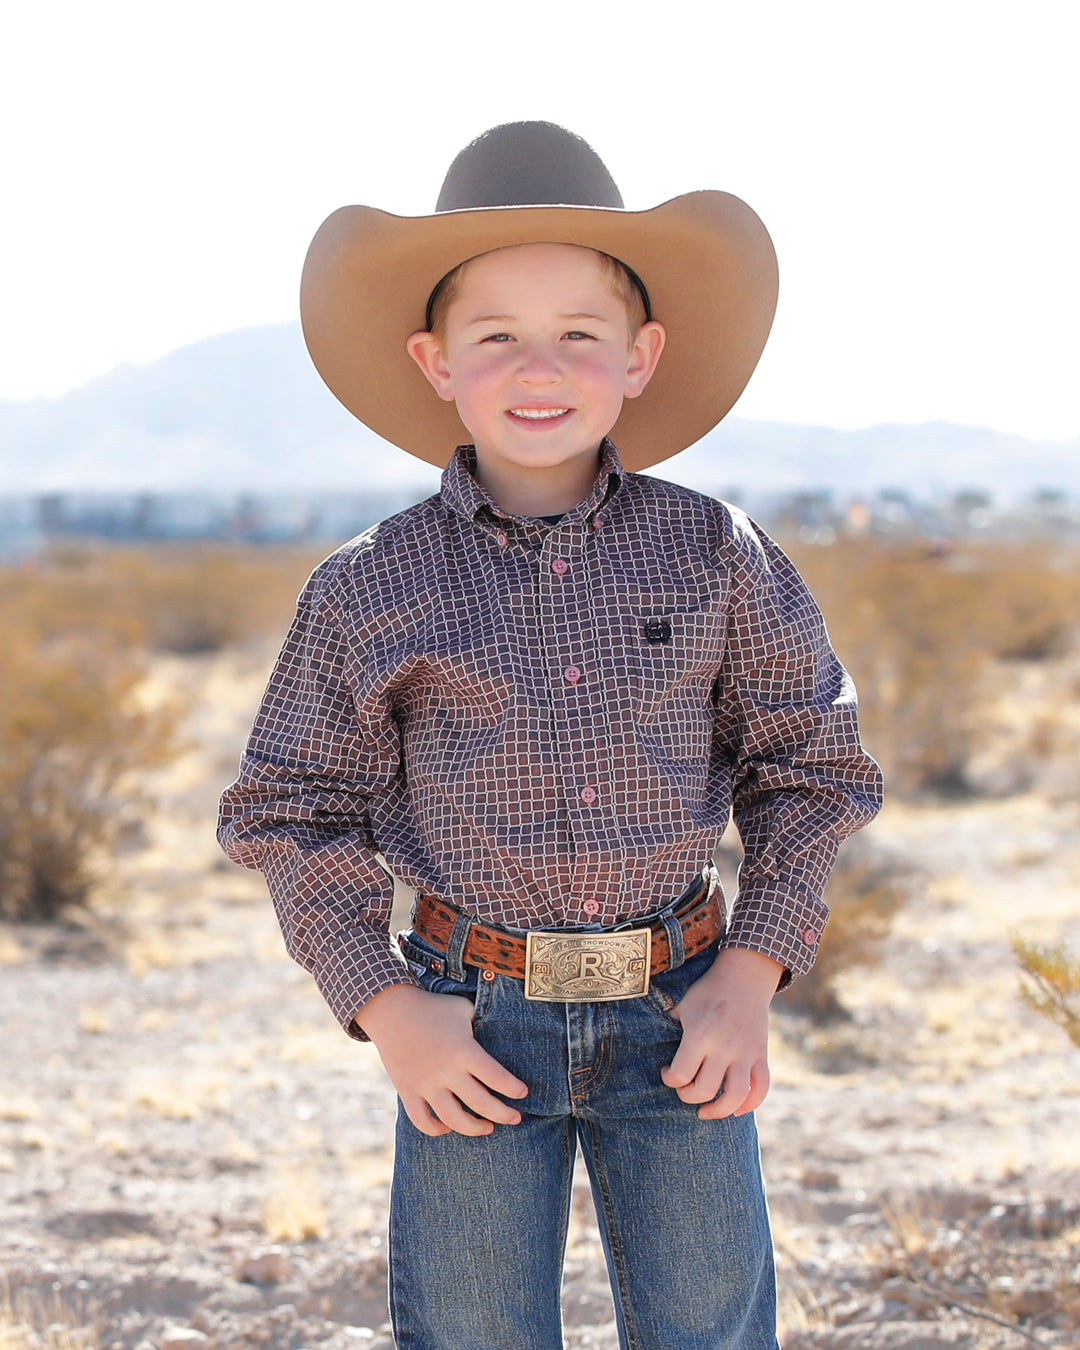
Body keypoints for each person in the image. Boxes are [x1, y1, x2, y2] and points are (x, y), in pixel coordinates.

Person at [218, 121, 883, 1350]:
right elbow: (287, 808)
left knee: (710, 1331)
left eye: (580, 333)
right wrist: (383, 1004)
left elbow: (812, 766)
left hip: (684, 1010)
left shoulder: (713, 553)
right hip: (472, 1021)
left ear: (641, 356)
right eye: (498, 337)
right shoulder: (373, 588)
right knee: (471, 1332)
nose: (542, 366)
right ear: (435, 360)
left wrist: (753, 971)